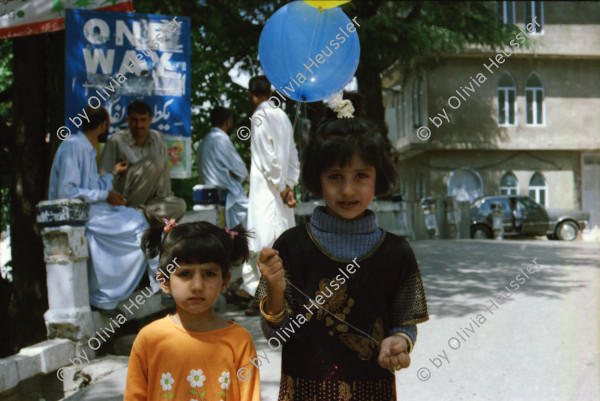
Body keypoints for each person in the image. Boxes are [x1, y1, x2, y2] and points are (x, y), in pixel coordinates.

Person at [254, 98, 429, 400]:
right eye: (335, 176)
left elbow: (405, 322)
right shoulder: (291, 247)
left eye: (361, 176)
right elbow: (275, 335)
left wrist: (401, 341)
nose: (348, 190)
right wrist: (275, 289)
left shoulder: (397, 252)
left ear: (379, 176)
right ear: (316, 178)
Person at [124, 220, 260, 400]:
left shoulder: (239, 342)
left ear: (225, 282)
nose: (197, 286)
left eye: (209, 274)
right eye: (185, 274)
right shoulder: (149, 339)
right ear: (164, 282)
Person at [49, 107, 155, 312]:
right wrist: (105, 195)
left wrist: (112, 175)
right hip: (75, 214)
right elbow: (67, 191)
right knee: (137, 222)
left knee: (138, 218)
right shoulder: (74, 146)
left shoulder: (86, 147)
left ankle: (109, 295)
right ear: (102, 126)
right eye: (107, 125)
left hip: (90, 211)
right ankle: (110, 294)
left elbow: (90, 188)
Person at [241, 76, 300, 312]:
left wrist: (283, 186)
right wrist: (290, 185)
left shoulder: (259, 117)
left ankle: (264, 297)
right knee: (279, 240)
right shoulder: (283, 116)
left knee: (263, 241)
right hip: (281, 191)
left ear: (251, 95)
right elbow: (293, 155)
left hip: (267, 189)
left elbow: (268, 158)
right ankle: (279, 295)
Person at [98, 100, 186, 222]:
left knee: (180, 205)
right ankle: (134, 212)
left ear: (150, 120)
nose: (139, 125)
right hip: (125, 200)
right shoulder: (116, 141)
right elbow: (103, 176)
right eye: (135, 120)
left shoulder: (158, 138)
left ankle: (141, 214)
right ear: (128, 120)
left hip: (151, 203)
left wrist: (165, 200)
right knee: (156, 161)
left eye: (143, 120)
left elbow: (164, 179)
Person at [196, 106, 249, 228]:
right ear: (228, 122)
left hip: (209, 193)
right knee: (251, 219)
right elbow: (242, 171)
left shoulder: (205, 141)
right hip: (225, 196)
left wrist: (228, 172)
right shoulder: (221, 140)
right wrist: (230, 173)